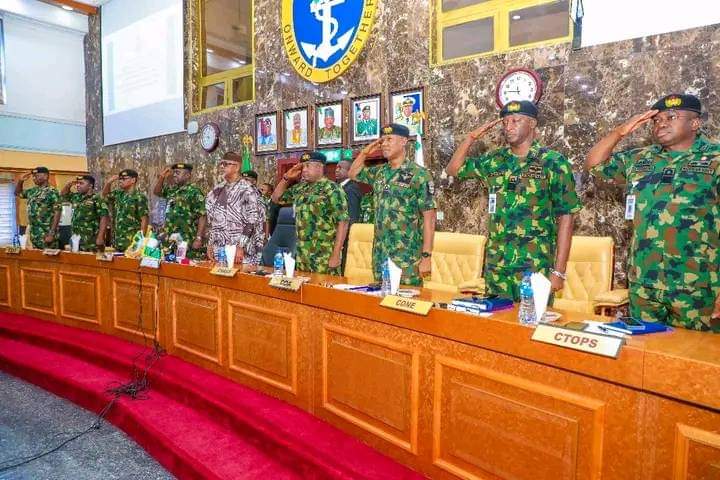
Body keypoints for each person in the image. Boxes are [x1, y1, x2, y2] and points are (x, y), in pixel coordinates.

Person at [585, 93, 720, 332]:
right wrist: (620, 132)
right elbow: (594, 164)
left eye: (671, 117)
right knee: (644, 358)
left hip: (697, 287)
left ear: (695, 123)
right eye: (656, 120)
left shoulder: (715, 159)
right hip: (644, 284)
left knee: (693, 360)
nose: (662, 124)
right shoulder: (641, 158)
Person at [446, 100, 581, 301]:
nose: (508, 127)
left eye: (516, 121)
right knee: (496, 327)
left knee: (532, 328)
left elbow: (567, 217)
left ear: (532, 123)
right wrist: (471, 138)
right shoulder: (494, 161)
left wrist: (559, 272)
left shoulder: (552, 162)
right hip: (497, 267)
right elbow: (453, 169)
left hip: (534, 267)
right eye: (505, 122)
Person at [349, 124, 436, 286]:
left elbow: (429, 219)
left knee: (407, 304)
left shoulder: (419, 174)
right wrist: (365, 152)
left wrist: (426, 256)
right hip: (380, 254)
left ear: (403, 141)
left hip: (407, 257)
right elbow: (353, 173)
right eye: (382, 141)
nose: (384, 144)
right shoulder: (379, 172)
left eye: (389, 139)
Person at [271, 151, 349, 274]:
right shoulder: (301, 188)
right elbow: (276, 198)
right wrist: (286, 178)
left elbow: (343, 222)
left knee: (324, 291)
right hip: (302, 255)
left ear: (320, 167)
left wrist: (336, 254)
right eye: (302, 167)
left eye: (308, 166)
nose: (304, 170)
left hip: (324, 255)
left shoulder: (332, 189)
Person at [205, 152, 266, 265]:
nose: (222, 167)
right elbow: (213, 221)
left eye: (226, 164)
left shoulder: (247, 190)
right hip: (220, 250)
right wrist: (210, 243)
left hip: (241, 251)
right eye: (221, 164)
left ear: (237, 167)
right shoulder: (216, 191)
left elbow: (253, 221)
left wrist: (240, 246)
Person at [153, 163, 207, 259]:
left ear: (187, 175)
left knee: (184, 265)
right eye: (174, 172)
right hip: (169, 238)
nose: (174, 175)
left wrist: (198, 238)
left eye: (178, 173)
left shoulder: (194, 191)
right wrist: (162, 177)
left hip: (186, 238)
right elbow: (157, 192)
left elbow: (202, 215)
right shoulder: (172, 190)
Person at [102, 169, 149, 252]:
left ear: (133, 180)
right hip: (118, 241)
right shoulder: (118, 194)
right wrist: (108, 183)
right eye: (119, 179)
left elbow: (144, 219)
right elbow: (105, 196)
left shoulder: (139, 197)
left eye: (124, 179)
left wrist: (140, 241)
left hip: (131, 242)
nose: (120, 181)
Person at [14, 167, 61, 249]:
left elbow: (58, 212)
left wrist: (51, 233)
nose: (34, 178)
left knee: (48, 259)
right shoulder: (33, 191)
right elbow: (18, 193)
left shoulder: (52, 192)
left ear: (46, 176)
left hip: (46, 233)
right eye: (33, 176)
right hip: (34, 234)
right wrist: (20, 181)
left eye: (36, 175)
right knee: (36, 259)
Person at [60, 175, 109, 252]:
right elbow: (63, 194)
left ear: (90, 186)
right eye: (77, 183)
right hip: (76, 237)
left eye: (81, 183)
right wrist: (69, 184)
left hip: (90, 239)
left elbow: (104, 217)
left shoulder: (97, 199)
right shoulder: (76, 197)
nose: (78, 185)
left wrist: (100, 237)